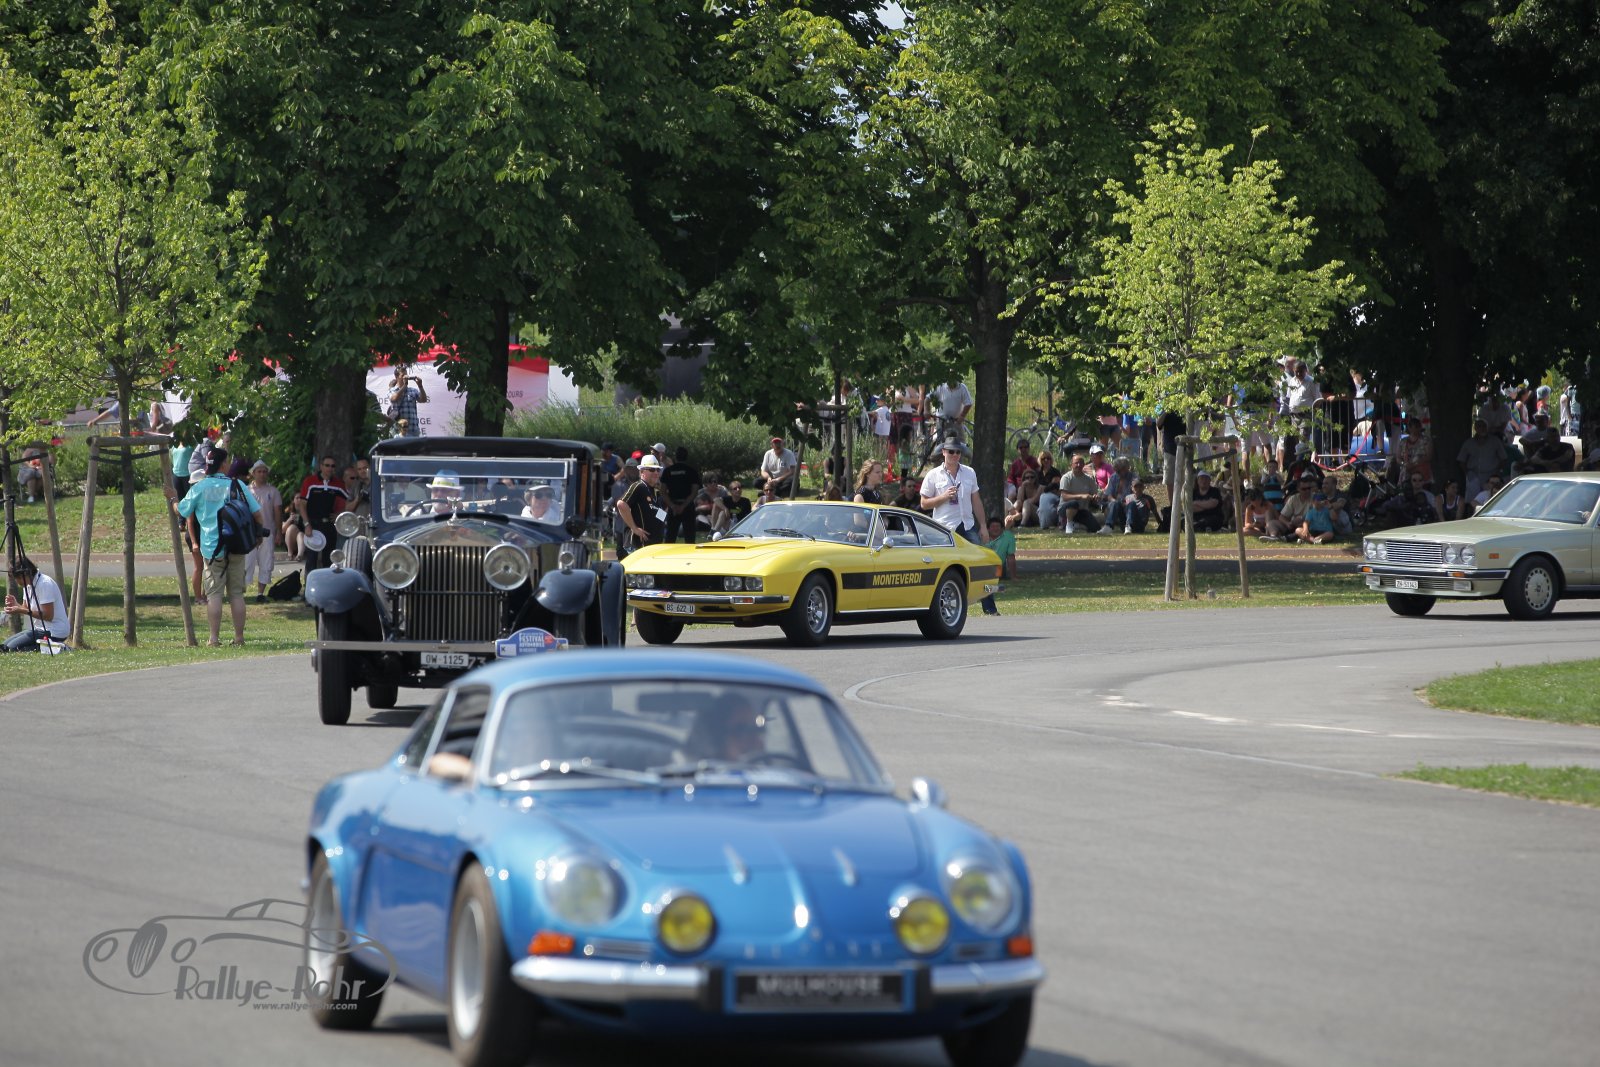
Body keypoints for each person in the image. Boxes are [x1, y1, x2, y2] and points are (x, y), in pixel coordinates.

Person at [169, 447, 265, 647]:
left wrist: (172, 499)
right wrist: (258, 536)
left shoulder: (200, 487)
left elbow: (181, 510)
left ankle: (213, 638)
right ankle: (239, 638)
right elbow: (257, 514)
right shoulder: (237, 485)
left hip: (212, 549)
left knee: (214, 595)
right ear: (223, 465)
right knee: (236, 594)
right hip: (237, 546)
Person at [919, 438, 987, 541]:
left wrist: (983, 526)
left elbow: (976, 501)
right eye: (951, 451)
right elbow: (924, 504)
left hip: (967, 526)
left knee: (975, 551)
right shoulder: (933, 475)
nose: (955, 454)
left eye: (958, 452)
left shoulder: (970, 472)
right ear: (943, 452)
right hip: (944, 528)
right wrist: (944, 497)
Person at [2, 559, 70, 652]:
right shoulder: (27, 585)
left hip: (54, 630)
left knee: (11, 648)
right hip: (38, 629)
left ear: (27, 573)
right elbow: (26, 608)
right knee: (4, 646)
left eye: (19, 578)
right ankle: (46, 646)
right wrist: (16, 605)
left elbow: (48, 616)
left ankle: (59, 648)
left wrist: (20, 610)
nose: (18, 582)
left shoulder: (45, 584)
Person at [295, 457, 348, 570]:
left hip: (329, 524)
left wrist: (340, 513)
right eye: (327, 465)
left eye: (333, 466)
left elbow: (349, 500)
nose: (330, 468)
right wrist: (306, 524)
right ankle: (310, 581)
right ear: (321, 466)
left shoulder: (338, 483)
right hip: (313, 524)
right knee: (311, 559)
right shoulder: (310, 481)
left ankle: (328, 581)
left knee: (329, 559)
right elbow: (302, 505)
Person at [683, 694, 767, 763]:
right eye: (740, 730)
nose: (754, 739)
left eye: (755, 729)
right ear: (717, 738)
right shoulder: (698, 776)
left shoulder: (769, 773)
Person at [244, 460, 283, 603]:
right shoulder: (246, 491)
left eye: (264, 471)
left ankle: (260, 593)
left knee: (266, 563)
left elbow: (277, 512)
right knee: (247, 562)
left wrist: (279, 532)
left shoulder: (273, 491)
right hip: (250, 533)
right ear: (253, 473)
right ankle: (242, 592)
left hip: (267, 532)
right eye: (259, 471)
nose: (262, 474)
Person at [616, 454, 666, 557]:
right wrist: (634, 528)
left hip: (653, 545)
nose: (656, 473)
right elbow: (621, 504)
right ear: (642, 471)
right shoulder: (638, 486)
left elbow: (659, 515)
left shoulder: (655, 491)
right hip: (639, 546)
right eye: (652, 469)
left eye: (658, 470)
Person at [661, 446, 701, 543]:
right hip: (688, 506)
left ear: (675, 457)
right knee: (690, 538)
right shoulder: (692, 471)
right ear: (687, 457)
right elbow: (694, 492)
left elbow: (663, 491)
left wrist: (673, 506)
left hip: (673, 505)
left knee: (670, 538)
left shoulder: (668, 471)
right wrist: (683, 506)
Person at [1056, 454, 1103, 533]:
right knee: (1073, 503)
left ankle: (1076, 525)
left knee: (1095, 528)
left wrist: (1095, 497)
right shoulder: (1066, 477)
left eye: (1081, 463)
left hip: (1082, 510)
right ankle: (1069, 524)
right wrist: (1081, 496)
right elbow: (1064, 496)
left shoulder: (1089, 479)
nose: (1079, 465)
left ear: (1084, 464)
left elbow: (1095, 494)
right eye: (1076, 463)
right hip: (1065, 509)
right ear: (1071, 464)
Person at [980, 518, 1014, 617]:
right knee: (987, 587)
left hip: (997, 567)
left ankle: (991, 608)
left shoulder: (1007, 537)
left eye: (998, 526)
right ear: (988, 529)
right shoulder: (982, 538)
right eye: (993, 527)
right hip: (982, 565)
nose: (995, 529)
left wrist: (1014, 576)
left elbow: (1011, 556)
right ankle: (991, 609)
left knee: (988, 587)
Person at [387, 364, 429, 437]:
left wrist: (420, 386)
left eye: (406, 375)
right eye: (403, 375)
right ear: (397, 377)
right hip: (398, 430)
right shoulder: (392, 390)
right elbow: (394, 398)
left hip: (413, 429)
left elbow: (423, 400)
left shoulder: (413, 390)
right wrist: (405, 385)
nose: (405, 377)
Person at [695, 471, 732, 535]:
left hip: (719, 516)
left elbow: (727, 506)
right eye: (710, 482)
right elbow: (695, 508)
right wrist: (703, 508)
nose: (713, 483)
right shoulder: (700, 492)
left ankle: (714, 531)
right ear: (706, 483)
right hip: (704, 516)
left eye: (715, 481)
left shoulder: (722, 492)